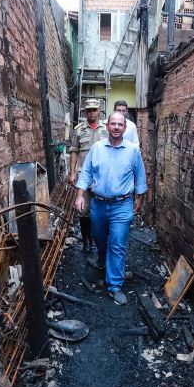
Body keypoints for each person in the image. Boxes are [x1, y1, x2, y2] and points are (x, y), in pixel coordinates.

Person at [75, 112, 147, 305]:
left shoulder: (133, 151)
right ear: (107, 126)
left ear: (125, 128)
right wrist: (80, 195)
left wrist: (139, 199)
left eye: (120, 124)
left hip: (122, 205)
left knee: (117, 242)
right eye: (113, 124)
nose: (116, 127)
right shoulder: (97, 148)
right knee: (99, 237)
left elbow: (140, 176)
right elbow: (86, 173)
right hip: (98, 204)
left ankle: (114, 285)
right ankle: (102, 256)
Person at [67, 98, 108, 253]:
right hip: (84, 176)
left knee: (104, 209)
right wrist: (72, 172)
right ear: (85, 112)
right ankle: (87, 241)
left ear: (99, 111)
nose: (91, 113)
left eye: (94, 110)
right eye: (88, 110)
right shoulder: (78, 130)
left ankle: (102, 241)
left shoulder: (107, 128)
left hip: (103, 176)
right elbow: (74, 151)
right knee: (84, 210)